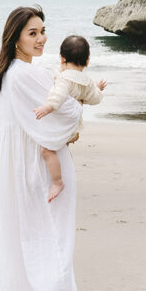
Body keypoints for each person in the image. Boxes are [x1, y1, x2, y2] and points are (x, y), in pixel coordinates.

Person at [0, 6, 82, 291]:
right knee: (49, 244)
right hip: (35, 171)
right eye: (32, 33)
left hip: (11, 169)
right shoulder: (28, 74)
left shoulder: (3, 73)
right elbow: (68, 110)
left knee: (15, 242)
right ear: (16, 37)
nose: (41, 39)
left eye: (43, 31)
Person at [34, 35, 107, 203]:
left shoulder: (64, 78)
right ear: (87, 61)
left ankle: (57, 182)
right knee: (61, 151)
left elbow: (57, 96)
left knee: (46, 150)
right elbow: (95, 99)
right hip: (74, 128)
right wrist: (98, 88)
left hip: (63, 125)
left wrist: (47, 107)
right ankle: (64, 169)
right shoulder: (87, 82)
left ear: (62, 58)